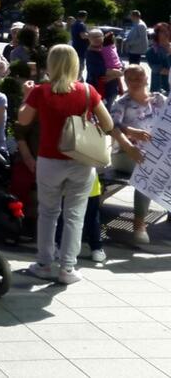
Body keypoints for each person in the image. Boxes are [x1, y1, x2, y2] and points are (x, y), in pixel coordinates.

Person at [18, 44, 143, 285]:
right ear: (76, 63)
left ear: (51, 64)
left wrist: (25, 96)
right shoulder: (87, 91)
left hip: (49, 160)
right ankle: (67, 268)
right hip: (81, 161)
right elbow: (107, 124)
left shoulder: (41, 92)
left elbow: (23, 119)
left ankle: (44, 263)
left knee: (48, 213)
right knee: (75, 214)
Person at [110, 65, 166, 245]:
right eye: (129, 79)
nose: (134, 82)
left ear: (146, 79)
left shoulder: (159, 100)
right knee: (148, 169)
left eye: (138, 78)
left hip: (157, 153)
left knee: (161, 164)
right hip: (126, 154)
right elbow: (111, 126)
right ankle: (139, 225)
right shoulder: (121, 103)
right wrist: (130, 131)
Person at [86, 29, 121, 108]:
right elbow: (97, 70)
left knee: (108, 110)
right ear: (89, 39)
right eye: (94, 37)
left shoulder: (109, 49)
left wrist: (115, 75)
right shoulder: (90, 53)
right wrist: (117, 72)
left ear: (103, 37)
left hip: (112, 87)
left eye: (99, 36)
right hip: (96, 87)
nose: (97, 39)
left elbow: (120, 65)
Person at [145, 23, 171, 94]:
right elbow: (160, 70)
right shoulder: (151, 51)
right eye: (162, 31)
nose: (166, 32)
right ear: (157, 34)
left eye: (168, 30)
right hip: (159, 90)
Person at [70, 10, 90, 76]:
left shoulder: (74, 24)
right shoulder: (81, 25)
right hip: (81, 48)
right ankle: (79, 80)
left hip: (75, 46)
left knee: (75, 65)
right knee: (80, 67)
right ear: (85, 17)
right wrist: (91, 35)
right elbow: (83, 36)